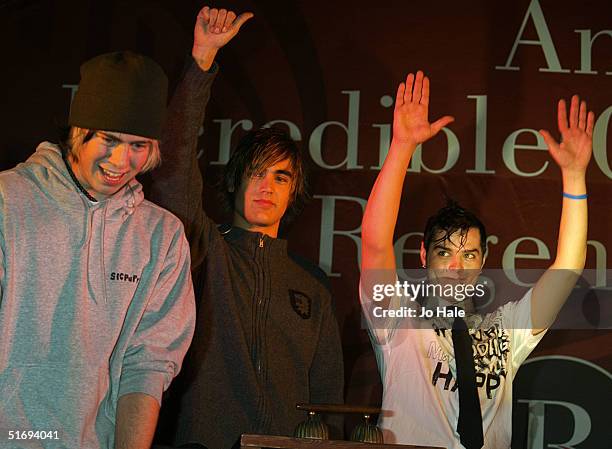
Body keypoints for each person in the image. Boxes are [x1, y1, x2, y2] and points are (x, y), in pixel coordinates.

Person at [359, 70, 593, 448]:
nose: (456, 268)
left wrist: (575, 177)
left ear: (483, 260)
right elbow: (374, 243)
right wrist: (402, 147)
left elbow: (568, 268)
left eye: (468, 254)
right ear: (423, 255)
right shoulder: (399, 320)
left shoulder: (507, 328)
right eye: (444, 252)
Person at [150, 6, 344, 449]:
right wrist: (201, 62)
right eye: (257, 173)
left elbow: (328, 402)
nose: (267, 187)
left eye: (281, 177)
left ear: (293, 193)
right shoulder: (202, 250)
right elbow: (173, 169)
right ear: (235, 181)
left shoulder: (312, 287)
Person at [0, 51, 196, 449]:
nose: (121, 161)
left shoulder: (163, 236)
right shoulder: (7, 201)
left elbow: (149, 365)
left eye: (138, 144)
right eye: (109, 139)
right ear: (79, 130)